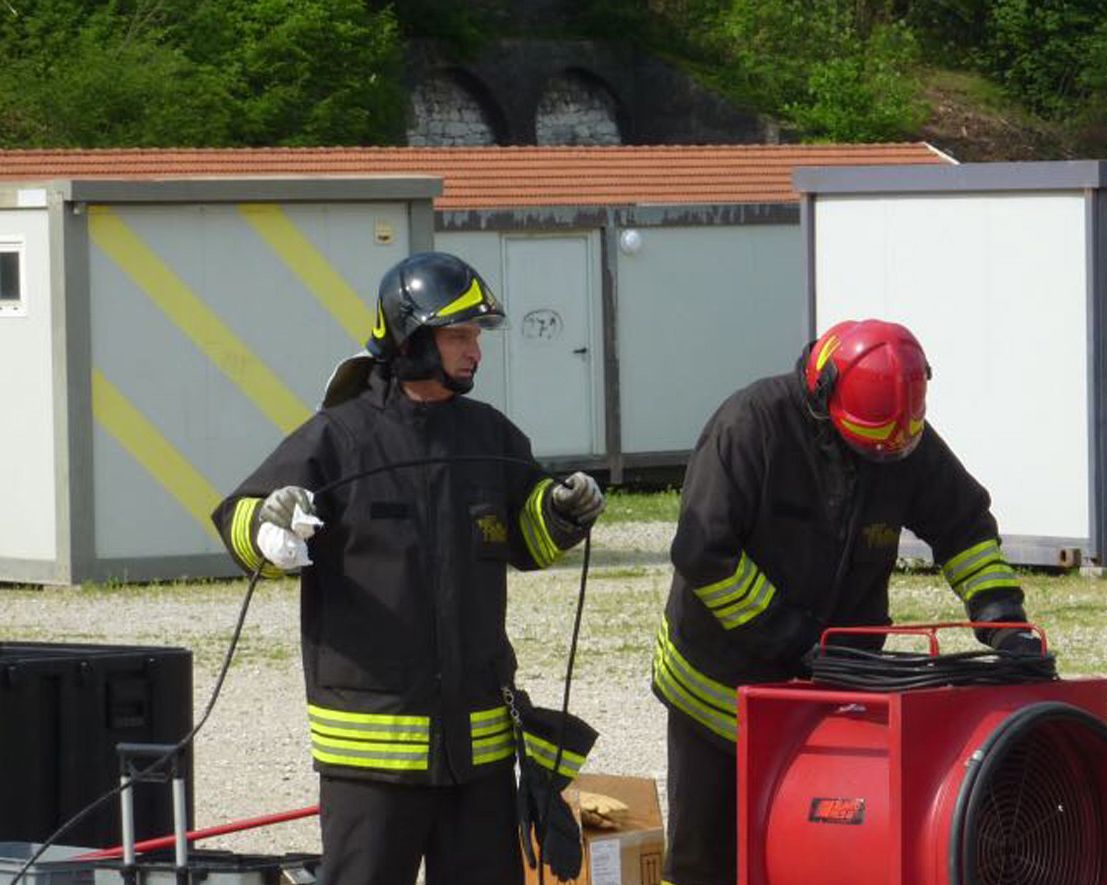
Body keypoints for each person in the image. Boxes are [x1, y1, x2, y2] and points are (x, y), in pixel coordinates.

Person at [210, 252, 604, 885]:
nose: (475, 350)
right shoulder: (338, 438)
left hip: (478, 750)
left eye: (476, 336)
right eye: (458, 336)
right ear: (410, 336)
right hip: (373, 753)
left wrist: (560, 511)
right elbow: (239, 517)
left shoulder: (490, 436)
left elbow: (527, 537)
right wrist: (269, 527)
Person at [653, 319, 1042, 885]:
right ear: (824, 399)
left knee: (815, 847)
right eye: (866, 446)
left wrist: (1002, 619)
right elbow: (703, 554)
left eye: (892, 448)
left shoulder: (897, 439)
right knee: (708, 861)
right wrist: (794, 639)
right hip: (718, 690)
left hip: (830, 685)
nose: (880, 459)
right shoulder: (751, 426)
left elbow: (963, 525)